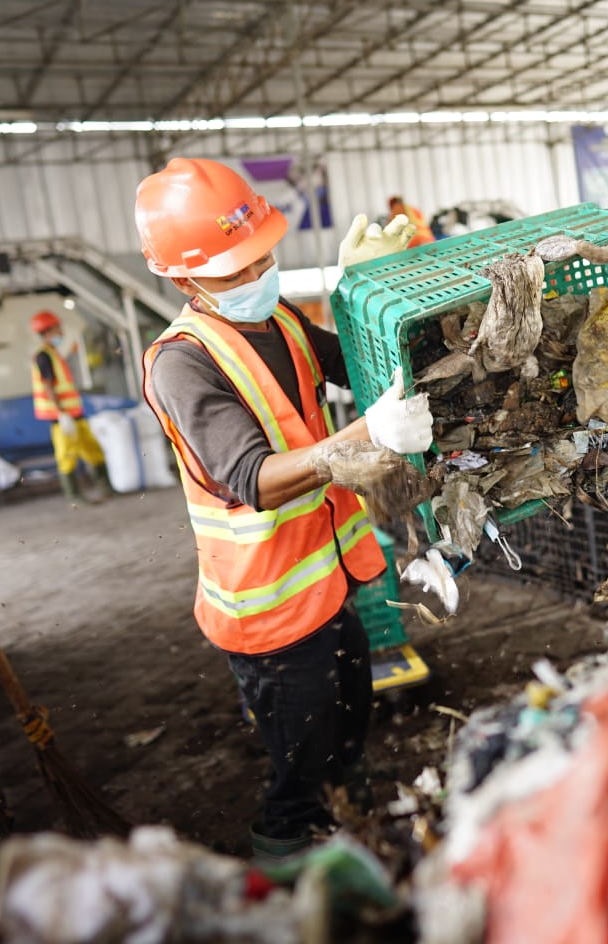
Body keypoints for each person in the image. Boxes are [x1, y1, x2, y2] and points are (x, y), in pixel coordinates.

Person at [134, 158, 430, 859]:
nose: (256, 276)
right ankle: (290, 850)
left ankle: (349, 805)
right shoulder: (181, 362)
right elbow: (251, 477)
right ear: (183, 280)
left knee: (351, 704)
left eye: (262, 256)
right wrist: (368, 434)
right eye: (235, 269)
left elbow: (354, 362)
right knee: (304, 752)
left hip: (323, 577)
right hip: (266, 602)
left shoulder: (280, 315)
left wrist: (369, 289)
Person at [31, 310, 112, 504]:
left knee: (92, 449)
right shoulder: (44, 356)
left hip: (75, 414)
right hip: (62, 418)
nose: (61, 331)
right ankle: (74, 497)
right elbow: (49, 387)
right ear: (48, 330)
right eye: (58, 328)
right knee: (67, 456)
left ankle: (105, 487)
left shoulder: (53, 353)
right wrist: (61, 413)